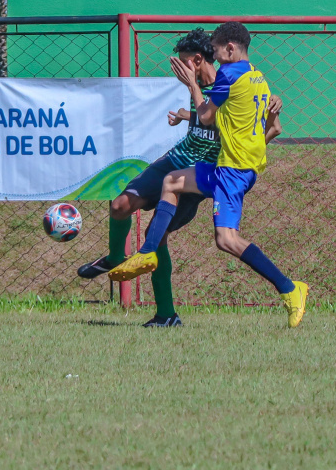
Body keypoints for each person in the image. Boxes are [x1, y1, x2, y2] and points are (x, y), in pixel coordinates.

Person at [77, 28, 283, 328]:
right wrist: (185, 115)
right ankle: (114, 257)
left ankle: (166, 314)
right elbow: (205, 116)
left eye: (184, 63)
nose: (180, 71)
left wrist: (272, 105)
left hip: (201, 174)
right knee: (120, 204)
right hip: (176, 159)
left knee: (156, 235)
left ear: (198, 60)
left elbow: (229, 120)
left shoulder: (234, 84)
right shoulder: (202, 85)